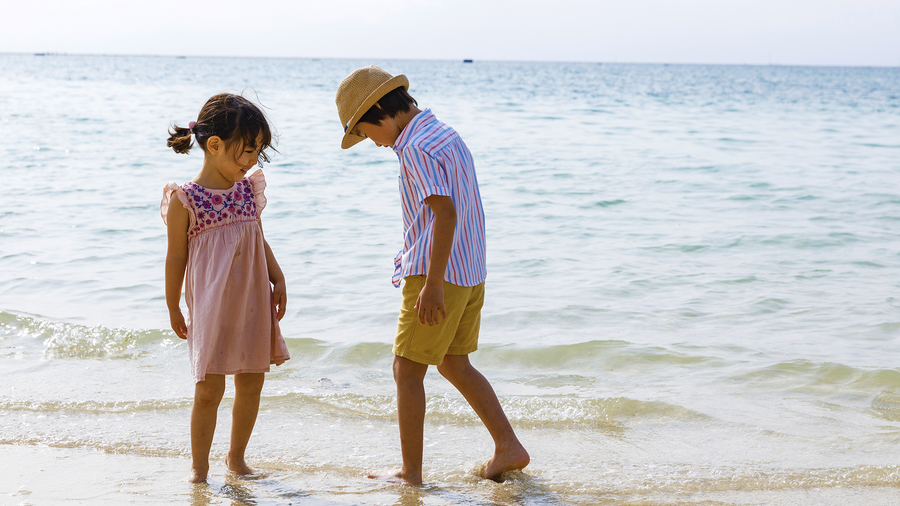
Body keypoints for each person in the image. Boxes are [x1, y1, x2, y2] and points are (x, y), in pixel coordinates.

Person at [335, 66, 530, 485]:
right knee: (454, 362)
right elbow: (461, 207)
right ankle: (508, 446)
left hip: (437, 272)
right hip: (470, 269)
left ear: (379, 114)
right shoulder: (443, 133)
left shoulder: (414, 147)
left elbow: (444, 212)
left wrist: (433, 284)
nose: (374, 143)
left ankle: (410, 472)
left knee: (406, 370)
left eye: (368, 134)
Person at [161, 93, 291, 483]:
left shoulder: (247, 190)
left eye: (257, 153)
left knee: (252, 380)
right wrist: (172, 307)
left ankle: (236, 460)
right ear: (214, 145)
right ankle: (199, 470)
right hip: (212, 305)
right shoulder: (187, 199)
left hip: (252, 299)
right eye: (245, 152)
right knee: (209, 388)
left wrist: (278, 275)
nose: (251, 161)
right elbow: (175, 259)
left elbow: (258, 237)